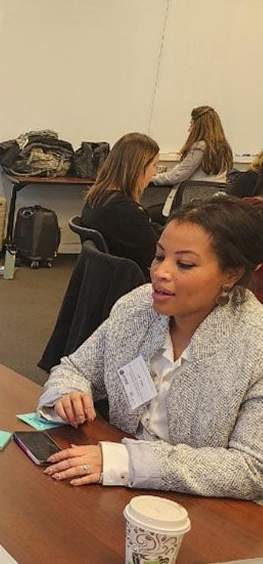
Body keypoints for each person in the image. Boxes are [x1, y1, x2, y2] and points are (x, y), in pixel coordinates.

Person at [37, 196, 263, 500]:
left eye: (184, 264)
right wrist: (68, 393)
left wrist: (128, 462)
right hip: (115, 487)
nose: (160, 272)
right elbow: (75, 369)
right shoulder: (138, 306)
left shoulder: (254, 344)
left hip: (201, 510)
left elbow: (250, 468)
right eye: (159, 256)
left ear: (231, 275)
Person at [79, 133, 162, 273]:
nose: (154, 173)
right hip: (135, 280)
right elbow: (157, 255)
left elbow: (147, 229)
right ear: (137, 167)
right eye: (154, 165)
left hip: (108, 278)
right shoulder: (126, 211)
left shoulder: (97, 198)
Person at [149, 105, 233, 217]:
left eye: (191, 124)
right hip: (211, 207)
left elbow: (177, 175)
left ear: (199, 126)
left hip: (189, 207)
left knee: (147, 214)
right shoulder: (224, 148)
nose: (189, 129)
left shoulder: (200, 147)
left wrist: (151, 178)